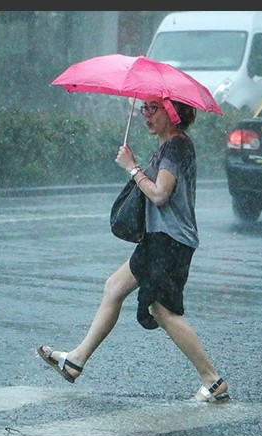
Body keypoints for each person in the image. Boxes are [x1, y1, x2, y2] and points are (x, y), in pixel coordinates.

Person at [36, 96, 229, 403]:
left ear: (172, 112)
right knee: (114, 288)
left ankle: (212, 378)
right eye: (144, 108)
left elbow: (160, 194)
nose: (146, 115)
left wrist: (132, 167)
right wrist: (136, 165)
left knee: (163, 311)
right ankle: (76, 360)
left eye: (154, 108)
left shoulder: (176, 146)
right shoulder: (169, 145)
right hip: (159, 239)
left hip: (170, 241)